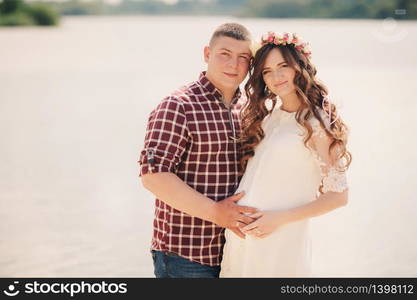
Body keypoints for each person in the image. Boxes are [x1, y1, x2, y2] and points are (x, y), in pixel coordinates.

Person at [220, 32, 352, 277]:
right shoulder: (270, 118)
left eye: (283, 66)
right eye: (267, 71)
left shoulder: (317, 123)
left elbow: (339, 196)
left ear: (299, 67)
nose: (276, 76)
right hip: (243, 242)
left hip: (280, 240)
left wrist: (278, 219)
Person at [137, 23, 258, 278]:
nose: (233, 65)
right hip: (186, 256)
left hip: (237, 252)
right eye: (224, 54)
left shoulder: (249, 109)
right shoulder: (178, 105)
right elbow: (153, 176)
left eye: (243, 58)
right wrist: (216, 213)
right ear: (207, 54)